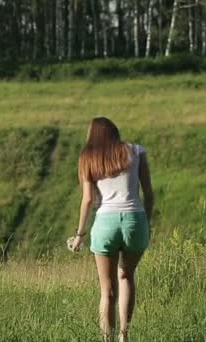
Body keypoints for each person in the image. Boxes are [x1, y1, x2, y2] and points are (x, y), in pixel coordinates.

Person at [71, 117, 154, 342]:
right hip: (134, 221)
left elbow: (88, 199)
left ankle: (106, 339)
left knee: (107, 291)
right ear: (115, 132)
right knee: (126, 275)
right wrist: (147, 223)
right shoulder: (136, 151)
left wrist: (79, 234)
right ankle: (124, 336)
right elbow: (148, 193)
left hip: (105, 223)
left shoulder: (88, 158)